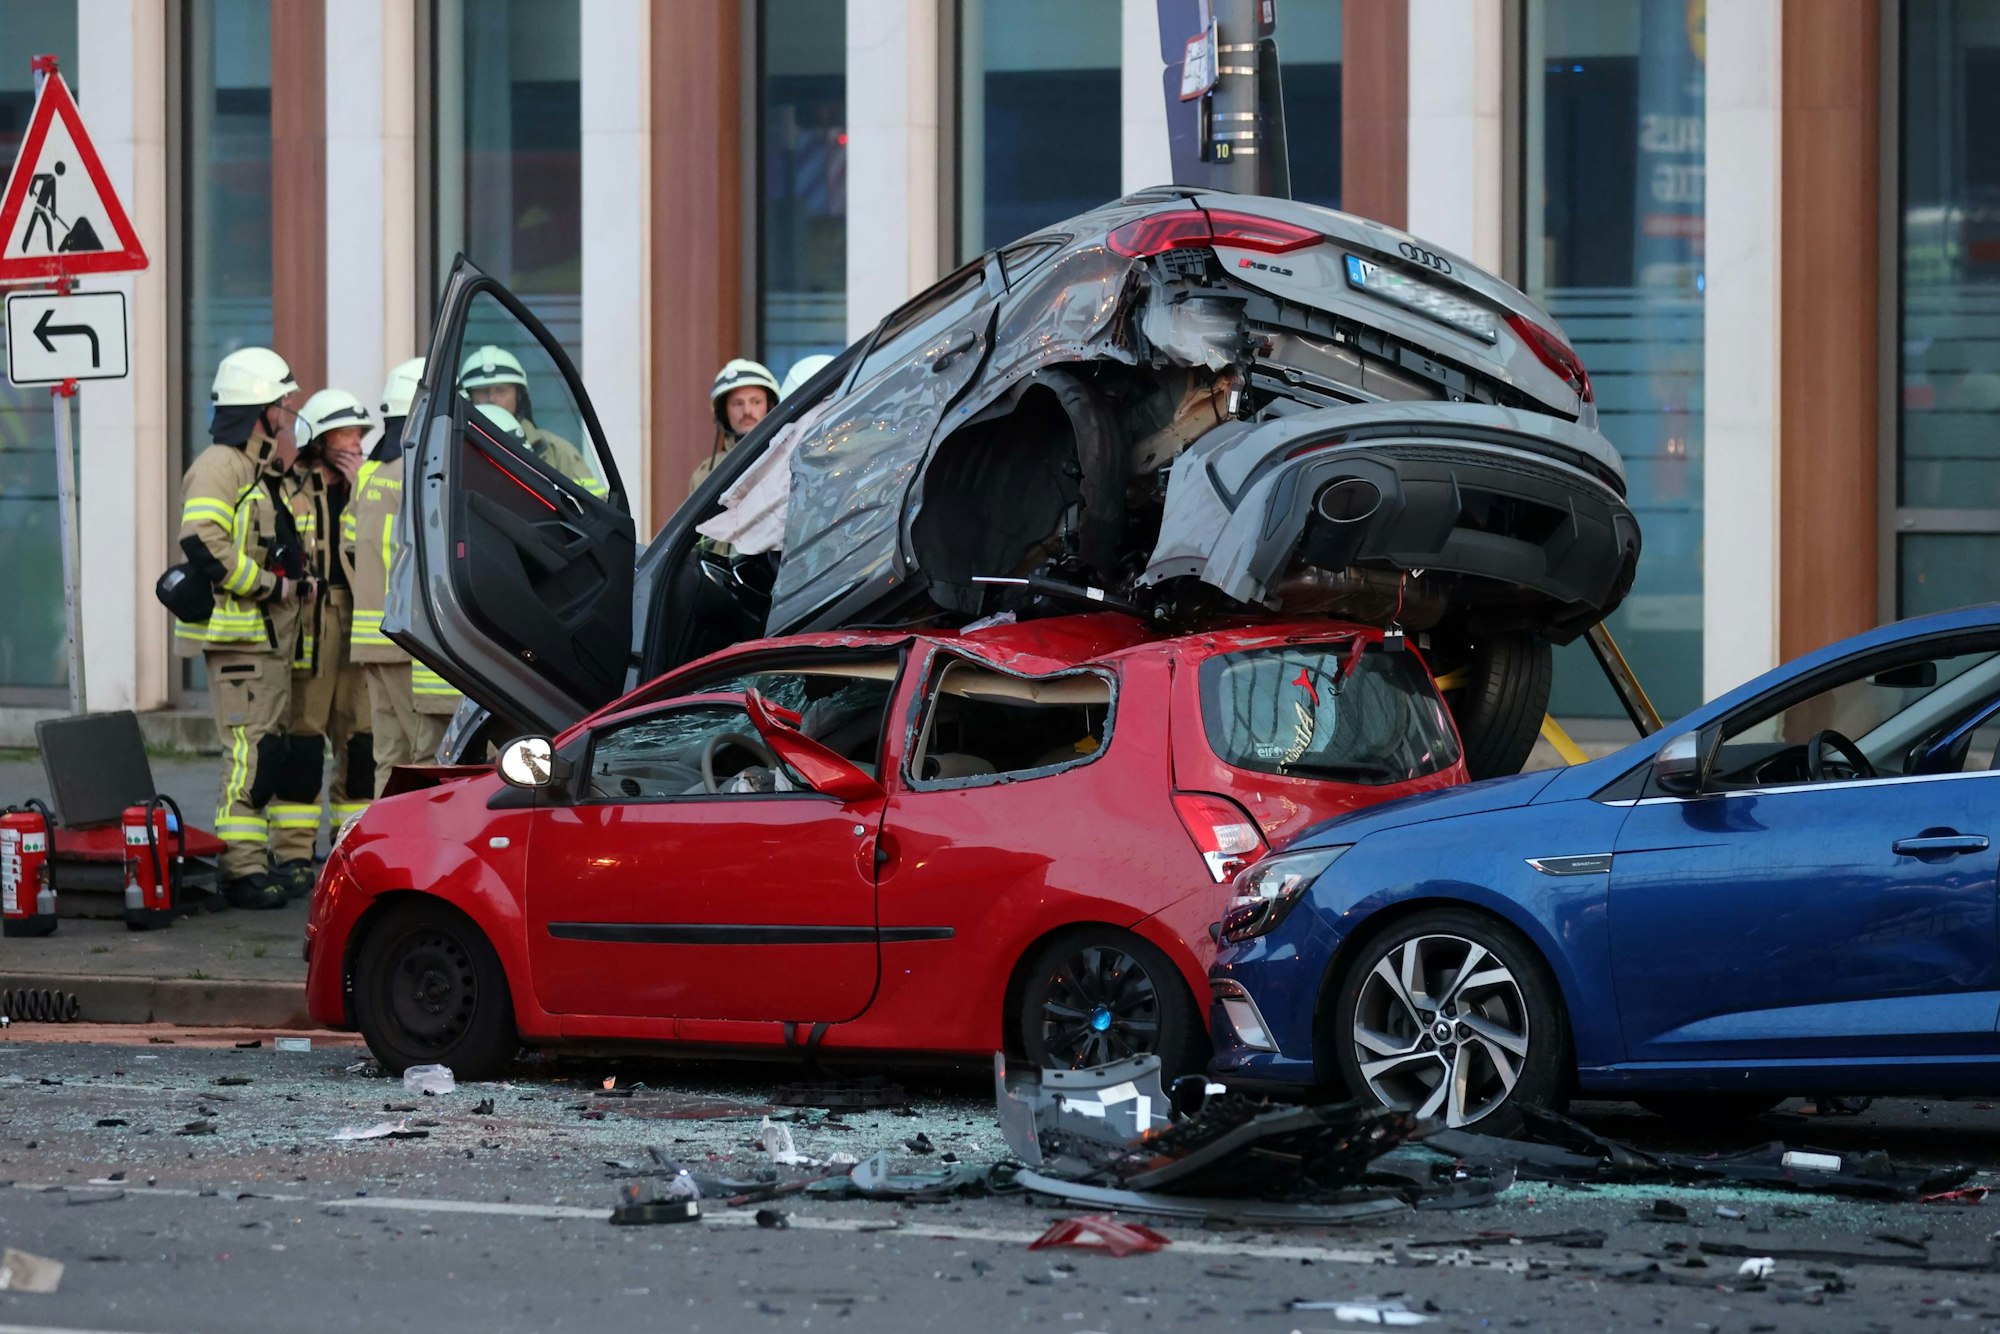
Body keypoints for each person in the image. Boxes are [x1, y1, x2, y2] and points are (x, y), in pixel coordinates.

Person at [175, 346, 303, 910]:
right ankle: (240, 869)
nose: (287, 415)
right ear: (260, 408)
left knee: (265, 753)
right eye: (282, 404)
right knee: (248, 758)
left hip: (265, 643)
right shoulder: (221, 465)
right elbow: (201, 538)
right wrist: (268, 585)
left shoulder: (258, 468)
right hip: (240, 641)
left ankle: (252, 860)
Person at [267, 388, 373, 899]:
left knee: (361, 738)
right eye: (346, 433)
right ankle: (291, 853)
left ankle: (351, 845)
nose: (356, 442)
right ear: (319, 438)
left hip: (360, 619)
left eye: (358, 433)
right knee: (304, 739)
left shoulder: (370, 487)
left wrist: (361, 490)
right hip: (312, 621)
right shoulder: (287, 490)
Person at [344, 357, 463, 796]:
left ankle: (382, 846)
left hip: (373, 638)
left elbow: (349, 549)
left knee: (389, 759)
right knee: (422, 760)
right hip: (410, 640)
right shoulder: (421, 473)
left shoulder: (369, 475)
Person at [457, 345, 606, 496]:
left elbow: (594, 509)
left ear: (519, 396)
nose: (492, 399)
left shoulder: (556, 451)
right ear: (468, 397)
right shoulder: (452, 446)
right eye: (482, 391)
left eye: (501, 390)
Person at [692, 358, 779, 496]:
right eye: (737, 403)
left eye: (756, 402)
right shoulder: (705, 475)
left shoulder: (788, 458)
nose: (747, 411)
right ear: (724, 413)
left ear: (770, 407)